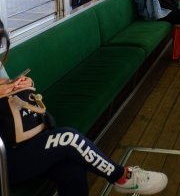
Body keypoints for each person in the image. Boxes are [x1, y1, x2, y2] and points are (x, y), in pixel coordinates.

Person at [0, 20, 168, 196]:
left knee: (72, 170)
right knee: (68, 138)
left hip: (21, 141)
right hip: (6, 160)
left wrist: (16, 85)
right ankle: (121, 177)